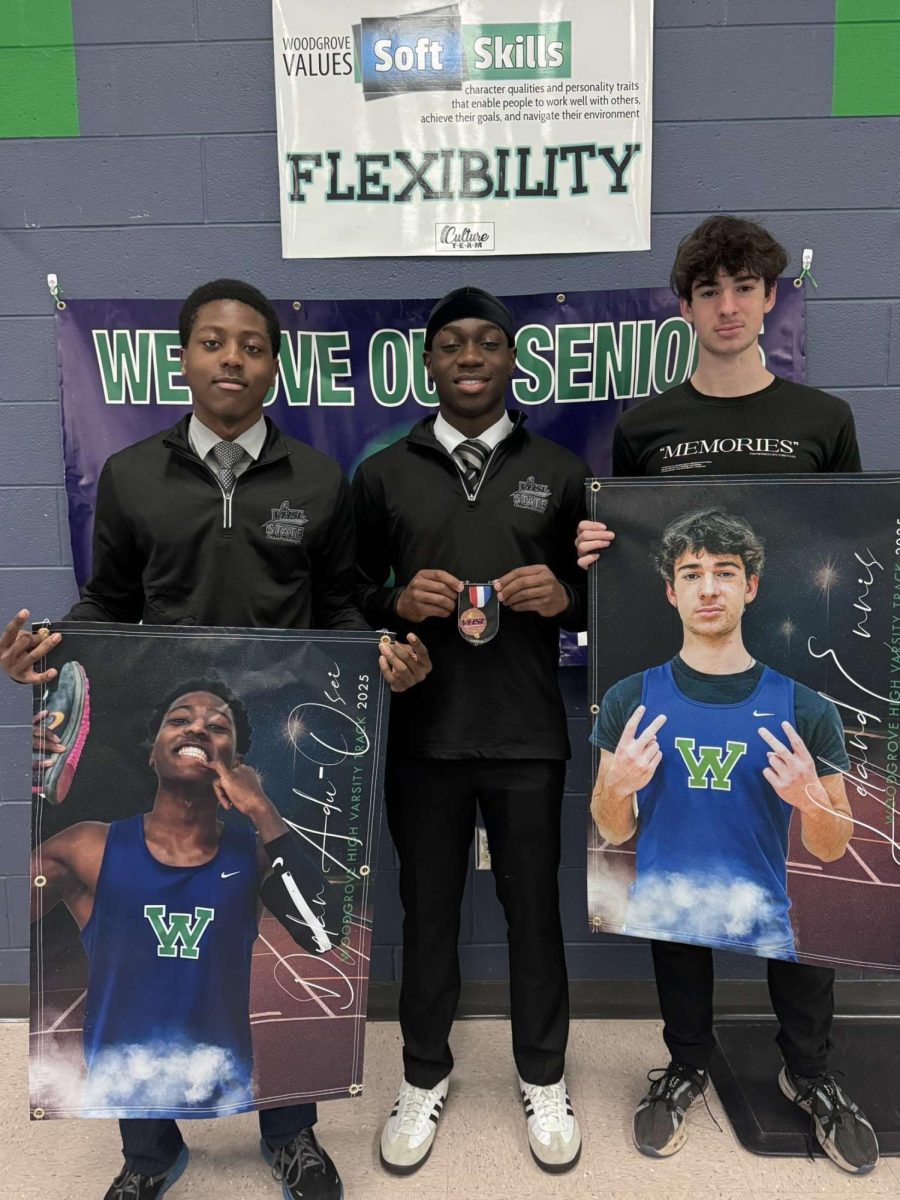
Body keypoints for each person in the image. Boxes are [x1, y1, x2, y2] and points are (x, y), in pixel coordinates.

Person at [1, 278, 431, 1200]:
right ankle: (148, 1153)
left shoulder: (319, 481)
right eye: (212, 342)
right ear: (184, 358)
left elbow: (346, 605)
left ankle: (292, 1133)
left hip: (269, 740)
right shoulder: (130, 475)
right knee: (136, 942)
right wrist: (49, 658)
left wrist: (383, 652)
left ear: (276, 365)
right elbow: (108, 607)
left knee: (269, 941)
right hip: (167, 737)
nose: (231, 360)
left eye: (250, 346)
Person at [577, 216, 878, 1175]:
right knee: (679, 862)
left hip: (786, 680)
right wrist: (596, 548)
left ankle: (810, 1068)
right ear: (685, 307)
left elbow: (849, 541)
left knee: (800, 855)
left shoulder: (821, 420)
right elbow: (630, 554)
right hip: (681, 685)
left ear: (772, 298)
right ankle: (685, 1060)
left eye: (747, 286)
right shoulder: (646, 429)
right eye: (710, 290)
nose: (730, 305)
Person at [352, 286, 588, 1175]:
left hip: (529, 730)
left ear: (512, 359)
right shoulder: (383, 473)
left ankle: (545, 1074)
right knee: (429, 912)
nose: (470, 356)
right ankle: (421, 1076)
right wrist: (392, 604)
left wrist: (569, 596)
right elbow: (348, 594)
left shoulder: (562, 471)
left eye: (488, 342)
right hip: (425, 732)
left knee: (535, 915)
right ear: (429, 362)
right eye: (452, 343)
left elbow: (611, 592)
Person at [32, 679, 332, 1119]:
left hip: (223, 1076)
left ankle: (290, 1140)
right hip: (121, 1084)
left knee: (287, 1112)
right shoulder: (87, 848)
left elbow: (323, 935)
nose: (196, 729)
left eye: (217, 727)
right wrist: (23, 775)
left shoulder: (255, 853)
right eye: (179, 720)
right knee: (143, 1141)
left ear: (236, 764)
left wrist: (263, 809)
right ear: (152, 753)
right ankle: (148, 1159)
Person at [592, 507, 854, 957]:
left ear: (750, 586)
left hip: (766, 922)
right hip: (663, 917)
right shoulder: (629, 699)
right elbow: (613, 832)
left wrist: (808, 796)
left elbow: (830, 849)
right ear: (672, 592)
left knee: (805, 1027)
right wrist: (618, 789)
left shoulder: (806, 708)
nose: (709, 589)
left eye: (725, 572)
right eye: (691, 575)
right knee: (683, 1028)